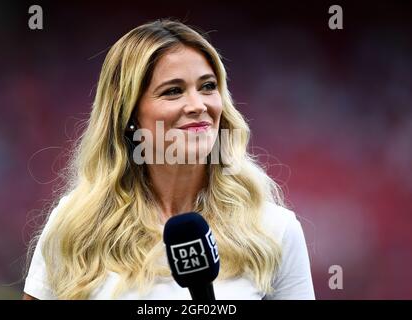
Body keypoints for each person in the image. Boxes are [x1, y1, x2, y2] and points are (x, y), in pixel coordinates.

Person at [23, 19, 315, 300]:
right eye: (173, 91)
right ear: (129, 113)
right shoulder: (76, 224)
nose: (198, 105)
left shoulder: (273, 229)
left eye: (208, 86)